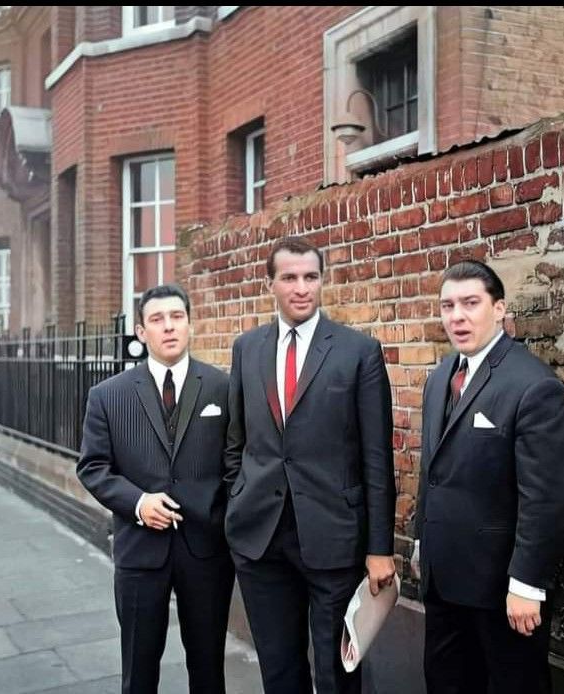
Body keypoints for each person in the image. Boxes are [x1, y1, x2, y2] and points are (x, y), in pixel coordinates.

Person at [224, 237, 396, 693]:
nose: (302, 288)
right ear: (271, 284)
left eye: (311, 277)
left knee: (336, 672)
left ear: (322, 280)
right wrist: (235, 505)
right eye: (290, 278)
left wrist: (380, 547)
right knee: (278, 670)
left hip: (333, 537)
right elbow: (236, 442)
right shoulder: (247, 348)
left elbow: (377, 457)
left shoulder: (358, 351)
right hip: (261, 538)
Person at [412, 260, 564, 694]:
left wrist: (527, 583)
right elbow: (432, 470)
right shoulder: (440, 377)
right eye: (448, 305)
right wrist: (420, 543)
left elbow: (549, 497)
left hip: (501, 588)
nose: (457, 316)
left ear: (500, 308)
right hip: (444, 579)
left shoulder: (532, 385)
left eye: (471, 303)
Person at [77, 284, 234, 694]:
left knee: (208, 670)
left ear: (190, 324)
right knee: (139, 672)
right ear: (141, 332)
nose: (169, 327)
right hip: (139, 551)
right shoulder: (107, 396)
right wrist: (138, 502)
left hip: (206, 551)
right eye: (157, 319)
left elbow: (237, 464)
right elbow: (93, 467)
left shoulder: (222, 388)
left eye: (177, 317)